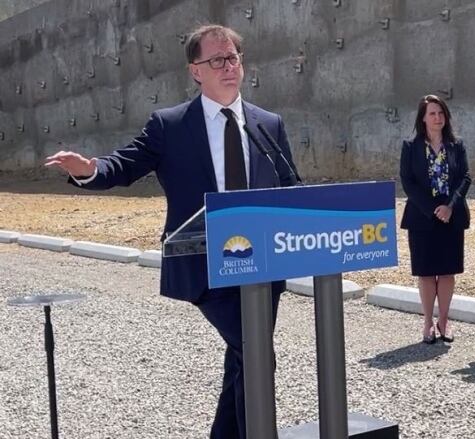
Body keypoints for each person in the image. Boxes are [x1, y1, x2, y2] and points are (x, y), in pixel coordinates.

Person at [44, 25, 299, 438]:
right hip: (205, 262)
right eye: (216, 60)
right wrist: (90, 169)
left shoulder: (268, 123)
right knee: (255, 354)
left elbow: (290, 186)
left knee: (242, 359)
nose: (227, 66)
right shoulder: (171, 125)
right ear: (195, 71)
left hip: (263, 265)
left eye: (233, 57)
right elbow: (124, 165)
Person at [400, 94, 471, 344]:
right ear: (423, 118)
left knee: (448, 272)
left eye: (441, 113)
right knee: (427, 273)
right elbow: (408, 182)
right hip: (422, 217)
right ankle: (428, 321)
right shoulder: (411, 147)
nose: (437, 118)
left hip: (452, 217)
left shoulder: (456, 145)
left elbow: (465, 178)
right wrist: (433, 209)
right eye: (432, 113)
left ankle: (444, 321)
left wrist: (450, 206)